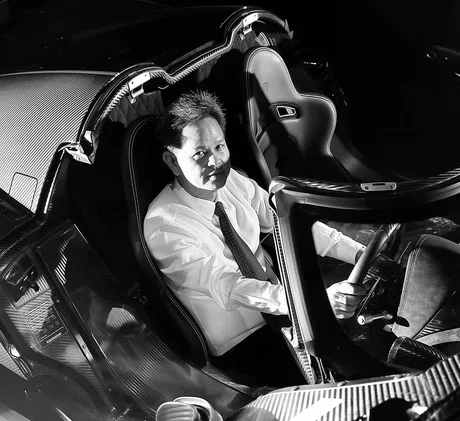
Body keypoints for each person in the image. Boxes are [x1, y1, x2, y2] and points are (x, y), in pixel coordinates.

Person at [144, 90, 366, 384]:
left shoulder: (231, 180)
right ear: (172, 162)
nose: (215, 161)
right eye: (200, 154)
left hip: (283, 306)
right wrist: (307, 302)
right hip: (245, 343)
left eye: (219, 147)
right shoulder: (164, 225)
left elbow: (287, 223)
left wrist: (358, 253)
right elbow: (227, 284)